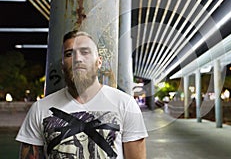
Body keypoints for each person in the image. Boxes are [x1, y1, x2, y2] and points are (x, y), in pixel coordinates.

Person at [16, 30, 148, 158]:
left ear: (99, 62)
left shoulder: (125, 104)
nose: (77, 59)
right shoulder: (40, 109)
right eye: (69, 54)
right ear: (62, 65)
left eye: (85, 52)